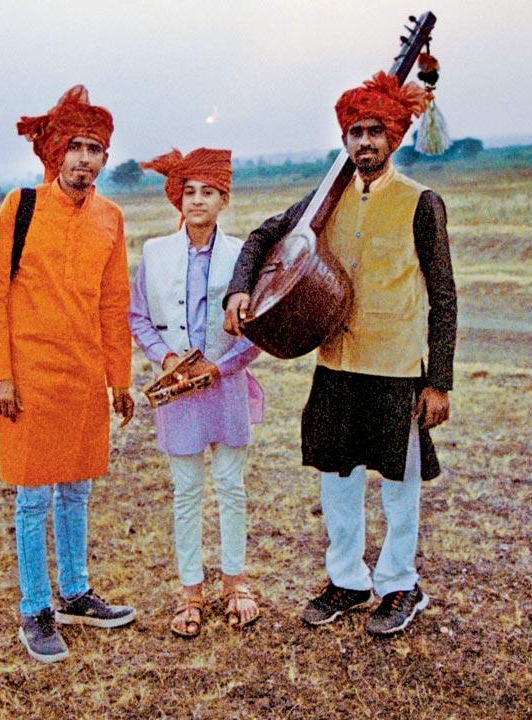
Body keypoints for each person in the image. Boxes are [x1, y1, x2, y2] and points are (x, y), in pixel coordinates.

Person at [224, 71, 457, 636]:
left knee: (400, 487)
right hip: (335, 364)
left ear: (394, 137)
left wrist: (439, 381)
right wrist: (240, 288)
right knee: (338, 479)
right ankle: (348, 580)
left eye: (375, 131)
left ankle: (401, 585)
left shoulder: (421, 203)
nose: (364, 143)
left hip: (395, 367)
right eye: (355, 132)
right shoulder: (325, 199)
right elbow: (262, 235)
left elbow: (444, 294)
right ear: (345, 140)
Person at [0, 85, 136, 664]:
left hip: (83, 376)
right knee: (32, 497)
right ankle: (36, 609)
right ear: (54, 153)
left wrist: (119, 378)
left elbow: (113, 303)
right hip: (27, 378)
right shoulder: (19, 207)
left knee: (78, 489)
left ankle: (75, 592)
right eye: (76, 147)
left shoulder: (111, 219)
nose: (85, 159)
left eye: (95, 148)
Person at [131, 148, 264, 637]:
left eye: (208, 192)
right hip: (178, 389)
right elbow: (139, 317)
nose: (197, 201)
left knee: (230, 486)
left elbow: (256, 329)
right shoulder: (155, 253)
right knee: (186, 491)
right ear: (178, 199)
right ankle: (191, 590)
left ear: (223, 200)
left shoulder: (242, 256)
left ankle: (235, 581)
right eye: (189, 192)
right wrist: (168, 361)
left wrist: (221, 366)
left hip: (226, 387)